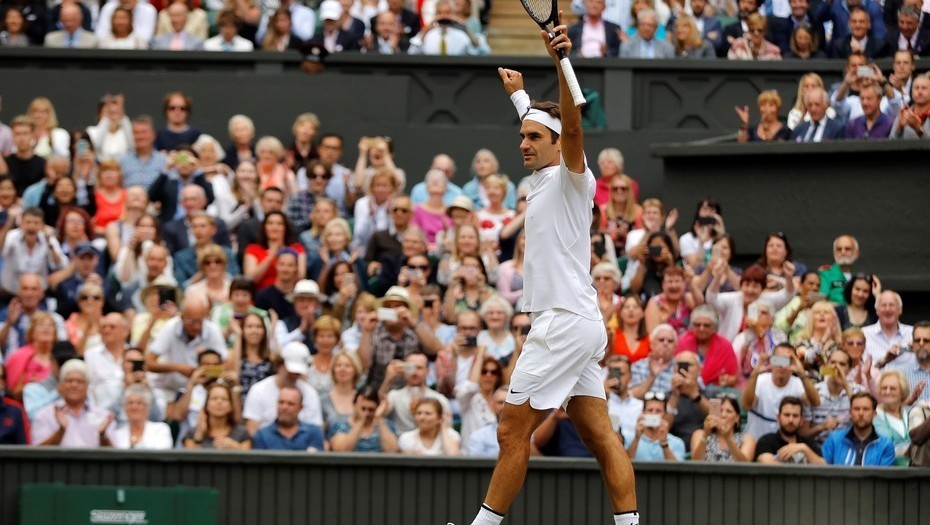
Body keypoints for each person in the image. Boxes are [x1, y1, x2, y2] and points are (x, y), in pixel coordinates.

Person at [467, 27, 638, 525]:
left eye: (533, 138)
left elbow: (571, 127)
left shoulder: (571, 177)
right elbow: (546, 124)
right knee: (599, 434)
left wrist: (561, 61)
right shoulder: (543, 174)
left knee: (510, 430)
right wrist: (519, 96)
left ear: (559, 144)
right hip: (578, 322)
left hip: (561, 322)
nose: (523, 143)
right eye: (521, 136)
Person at [742, 343, 820, 439]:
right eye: (778, 360)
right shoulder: (759, 380)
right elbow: (746, 405)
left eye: (786, 361)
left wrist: (801, 372)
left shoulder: (798, 384)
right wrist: (754, 374)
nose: (782, 366)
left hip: (784, 444)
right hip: (755, 441)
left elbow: (815, 403)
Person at [242, 342, 323, 434]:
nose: (293, 376)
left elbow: (317, 429)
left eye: (297, 373)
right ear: (280, 365)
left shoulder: (310, 393)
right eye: (290, 372)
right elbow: (252, 429)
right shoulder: (258, 390)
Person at [31, 359, 114, 447]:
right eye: (69, 381)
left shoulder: (103, 416)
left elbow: (114, 453)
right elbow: (38, 452)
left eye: (80, 381)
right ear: (61, 384)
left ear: (87, 385)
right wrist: (61, 431)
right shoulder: (45, 415)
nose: (74, 385)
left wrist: (102, 436)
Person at [801, 348, 863, 444]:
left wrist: (846, 386)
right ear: (827, 366)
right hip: (818, 447)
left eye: (842, 364)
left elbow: (863, 417)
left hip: (848, 446)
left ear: (849, 369)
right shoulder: (814, 391)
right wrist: (822, 427)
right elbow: (803, 434)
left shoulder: (858, 391)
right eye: (832, 362)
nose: (836, 367)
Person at [821, 392, 895, 466]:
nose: (861, 413)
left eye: (865, 409)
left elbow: (883, 473)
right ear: (850, 413)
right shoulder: (835, 439)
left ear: (874, 414)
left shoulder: (885, 445)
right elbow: (822, 467)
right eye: (856, 409)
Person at [675, 305, 737, 388]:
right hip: (686, 387)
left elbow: (733, 376)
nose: (701, 328)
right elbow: (676, 370)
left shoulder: (724, 346)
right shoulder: (684, 342)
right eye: (697, 325)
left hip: (716, 389)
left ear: (714, 327)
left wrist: (727, 380)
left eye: (706, 325)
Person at [252, 386, 326, 451]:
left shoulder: (314, 433)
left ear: (300, 408)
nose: (284, 407)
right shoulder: (262, 435)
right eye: (281, 402)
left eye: (290, 404)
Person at [754, 396, 825, 464]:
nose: (791, 420)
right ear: (778, 418)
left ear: (801, 420)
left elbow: (823, 466)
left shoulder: (808, 443)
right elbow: (766, 463)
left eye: (795, 416)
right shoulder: (767, 440)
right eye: (787, 415)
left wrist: (804, 449)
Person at [329, 385, 399, 452]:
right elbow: (341, 450)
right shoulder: (341, 425)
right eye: (363, 409)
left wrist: (379, 418)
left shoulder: (386, 425)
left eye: (371, 409)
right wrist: (360, 421)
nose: (366, 413)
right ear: (354, 405)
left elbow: (392, 451)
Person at [183, 382, 252, 449]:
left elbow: (248, 455)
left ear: (231, 405)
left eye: (224, 399)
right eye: (214, 398)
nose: (219, 402)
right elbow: (190, 455)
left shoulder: (242, 433)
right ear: (206, 404)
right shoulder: (192, 433)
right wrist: (199, 435)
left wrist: (235, 448)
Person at [690, 395, 755, 462]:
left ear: (737, 418)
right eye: (720, 410)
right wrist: (705, 435)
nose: (723, 415)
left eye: (729, 411)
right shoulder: (700, 434)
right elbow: (695, 464)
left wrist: (728, 438)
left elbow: (744, 465)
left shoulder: (746, 439)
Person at [626, 391, 686, 460]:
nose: (653, 413)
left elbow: (677, 467)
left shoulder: (677, 443)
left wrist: (664, 443)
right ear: (643, 412)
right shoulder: (629, 439)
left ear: (665, 414)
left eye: (658, 411)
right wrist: (637, 438)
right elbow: (624, 463)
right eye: (650, 410)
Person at [110, 384, 172, 450]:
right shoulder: (117, 434)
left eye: (139, 403)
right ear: (125, 408)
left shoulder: (160, 430)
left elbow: (162, 453)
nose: (134, 407)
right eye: (130, 403)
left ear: (147, 407)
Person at [872, 370, 912, 465]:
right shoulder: (873, 416)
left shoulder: (912, 412)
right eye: (884, 388)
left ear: (902, 391)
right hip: (886, 469)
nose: (887, 391)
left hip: (916, 470)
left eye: (893, 388)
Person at [864, 291, 913, 367]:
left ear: (900, 310)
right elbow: (861, 368)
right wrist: (884, 361)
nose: (887, 309)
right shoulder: (864, 334)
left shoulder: (913, 333)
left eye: (891, 305)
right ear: (877, 311)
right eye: (884, 305)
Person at [465, 386, 508, 456]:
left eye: (508, 403)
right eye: (500, 402)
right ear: (492, 405)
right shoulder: (479, 436)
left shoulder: (526, 434)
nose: (504, 407)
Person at [889, 73, 930, 139]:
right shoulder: (904, 114)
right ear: (912, 92)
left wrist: (919, 130)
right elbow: (890, 143)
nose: (919, 92)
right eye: (916, 88)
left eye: (924, 88)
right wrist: (899, 128)